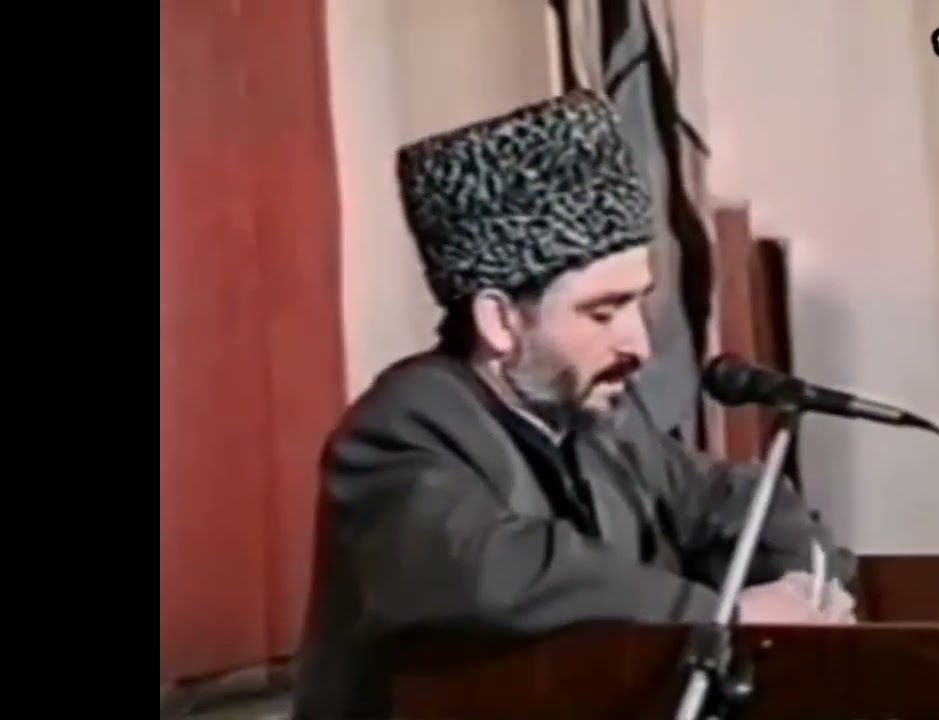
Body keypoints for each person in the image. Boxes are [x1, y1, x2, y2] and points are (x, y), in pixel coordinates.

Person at [291, 89, 857, 720]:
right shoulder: (401, 428)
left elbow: (737, 501)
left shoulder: (598, 421)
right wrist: (720, 618)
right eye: (602, 313)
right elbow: (497, 572)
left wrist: (801, 589)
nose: (638, 346)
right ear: (501, 321)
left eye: (638, 303)